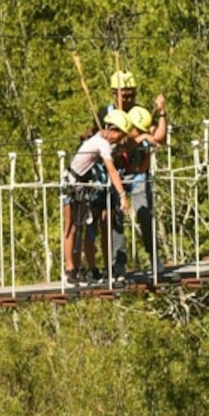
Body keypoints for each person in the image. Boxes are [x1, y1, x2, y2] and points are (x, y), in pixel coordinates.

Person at [107, 72, 168, 277]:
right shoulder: (106, 115)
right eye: (124, 96)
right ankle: (118, 262)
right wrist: (138, 136)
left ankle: (153, 257)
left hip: (139, 171)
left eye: (131, 95)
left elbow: (158, 138)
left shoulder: (140, 113)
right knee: (116, 216)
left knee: (143, 212)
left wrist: (162, 113)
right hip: (117, 174)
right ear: (114, 94)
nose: (128, 100)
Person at [62, 106, 126, 284]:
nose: (119, 140)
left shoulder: (99, 141)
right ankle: (69, 269)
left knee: (79, 225)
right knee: (71, 226)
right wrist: (122, 195)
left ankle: (76, 268)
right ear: (113, 131)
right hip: (71, 182)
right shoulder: (101, 143)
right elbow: (112, 171)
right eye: (120, 136)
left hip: (80, 184)